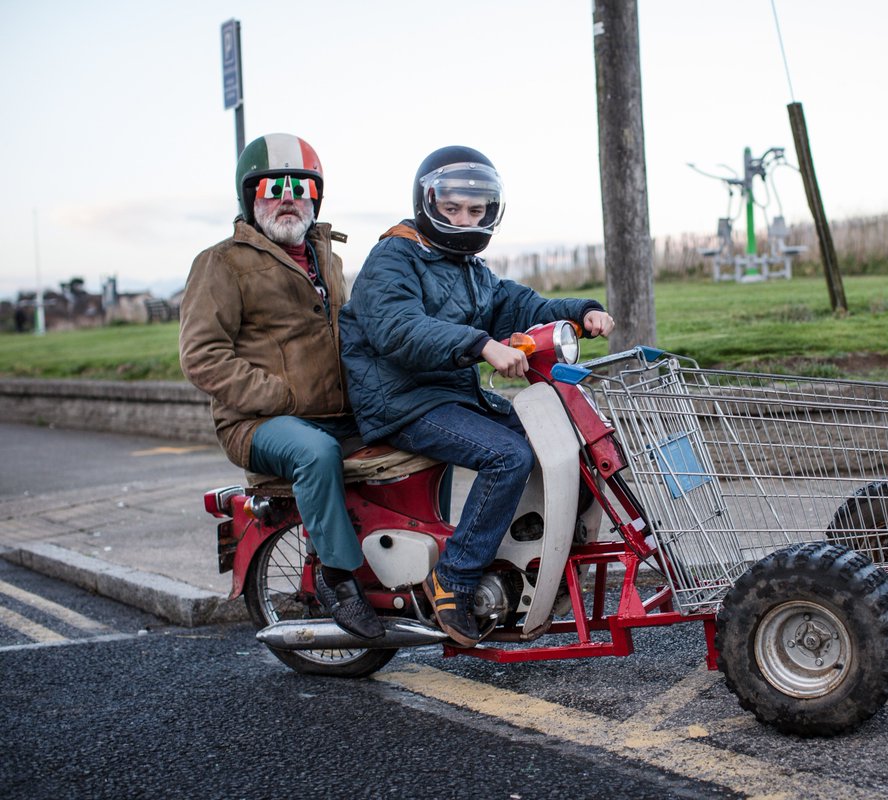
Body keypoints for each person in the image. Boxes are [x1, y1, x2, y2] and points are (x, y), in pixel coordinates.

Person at [339, 145, 614, 647]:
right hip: (403, 401)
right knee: (507, 456)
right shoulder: (394, 257)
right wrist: (480, 344)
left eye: (476, 209)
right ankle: (456, 579)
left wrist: (580, 312)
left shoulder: (469, 267)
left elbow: (520, 304)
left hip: (451, 396)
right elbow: (397, 328)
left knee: (558, 439)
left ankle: (526, 560)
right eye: (452, 209)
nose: (465, 218)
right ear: (428, 204)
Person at [179, 132, 384, 641]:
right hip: (259, 423)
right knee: (314, 453)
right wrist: (279, 397)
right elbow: (201, 355)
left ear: (316, 195)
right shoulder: (221, 262)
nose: (288, 196)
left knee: (427, 426)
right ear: (251, 197)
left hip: (337, 412)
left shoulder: (325, 258)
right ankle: (338, 580)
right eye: (273, 186)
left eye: (301, 186)